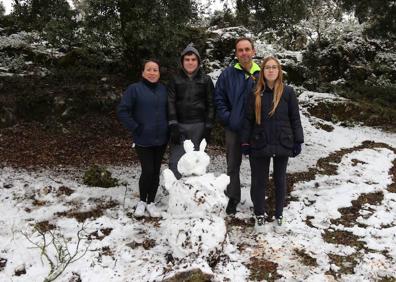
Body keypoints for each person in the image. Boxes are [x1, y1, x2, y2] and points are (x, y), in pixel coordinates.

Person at [241, 56, 304, 233]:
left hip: (282, 141)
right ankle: (260, 214)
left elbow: (295, 118)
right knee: (259, 181)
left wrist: (298, 140)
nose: (270, 70)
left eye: (274, 67)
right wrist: (245, 142)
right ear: (262, 71)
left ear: (279, 71)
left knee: (280, 180)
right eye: (267, 67)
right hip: (259, 142)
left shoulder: (288, 92)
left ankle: (279, 215)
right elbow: (248, 120)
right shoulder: (255, 92)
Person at [214, 37, 261, 215]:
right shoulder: (227, 74)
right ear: (236, 53)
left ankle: (258, 200)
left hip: (256, 128)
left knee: (258, 165)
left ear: (253, 51)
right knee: (233, 164)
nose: (244, 53)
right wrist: (229, 118)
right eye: (240, 50)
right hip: (234, 128)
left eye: (247, 49)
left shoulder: (261, 73)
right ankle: (233, 198)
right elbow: (219, 99)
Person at [117, 59, 168, 218]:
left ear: (159, 73)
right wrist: (135, 126)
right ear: (143, 72)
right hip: (143, 139)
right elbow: (122, 111)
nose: (152, 73)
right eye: (149, 69)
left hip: (161, 139)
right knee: (148, 170)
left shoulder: (163, 90)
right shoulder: (134, 89)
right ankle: (142, 201)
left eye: (155, 70)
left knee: (156, 171)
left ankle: (151, 202)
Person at [168, 43, 215, 179]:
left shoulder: (206, 80)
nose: (190, 62)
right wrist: (173, 124)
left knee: (196, 161)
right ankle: (176, 191)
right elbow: (170, 102)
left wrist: (208, 126)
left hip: (198, 125)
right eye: (187, 59)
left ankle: (195, 194)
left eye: (193, 59)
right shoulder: (175, 79)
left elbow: (211, 104)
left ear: (198, 62)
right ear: (182, 62)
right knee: (175, 161)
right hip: (180, 125)